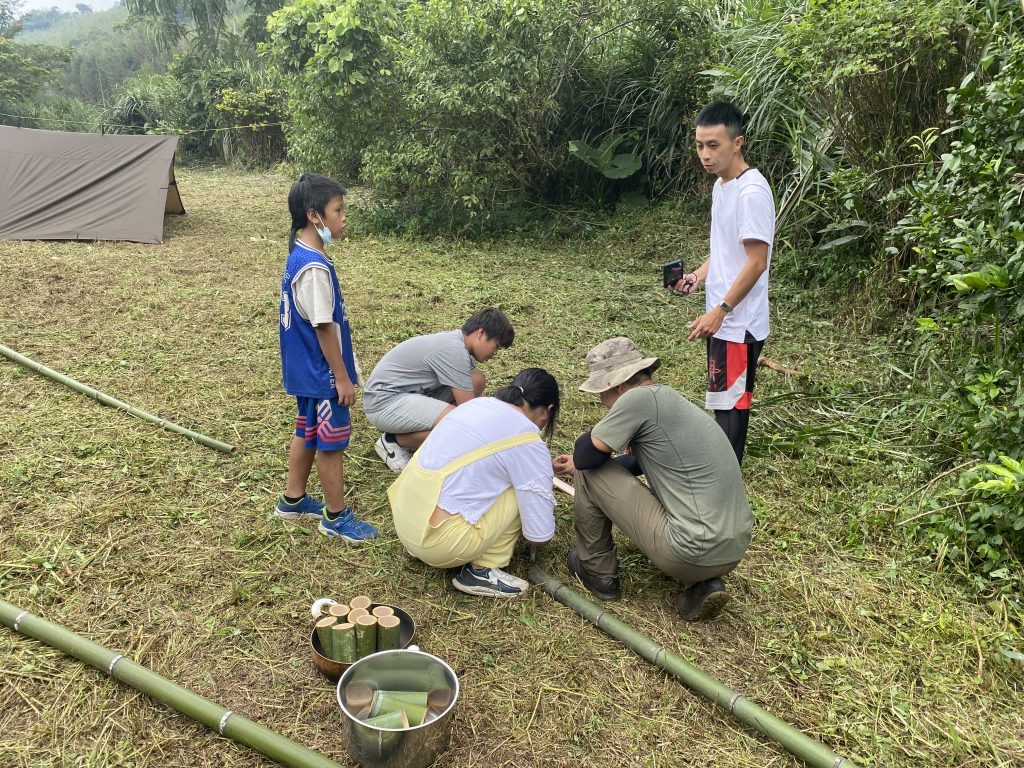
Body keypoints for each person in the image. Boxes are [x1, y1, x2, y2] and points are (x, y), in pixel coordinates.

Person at [553, 337, 752, 621]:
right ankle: (702, 583)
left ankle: (596, 571)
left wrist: (590, 447)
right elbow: (637, 462)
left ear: (618, 385)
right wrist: (584, 460)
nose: (602, 402)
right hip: (731, 550)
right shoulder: (670, 401)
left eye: (602, 394)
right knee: (590, 466)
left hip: (689, 550)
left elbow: (586, 457)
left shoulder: (636, 399)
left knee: (589, 471)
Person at [389, 368, 560, 598]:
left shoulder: (475, 405)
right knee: (522, 488)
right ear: (548, 411)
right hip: (439, 545)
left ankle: (424, 543)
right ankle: (481, 571)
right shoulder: (528, 441)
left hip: (406, 522)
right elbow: (539, 535)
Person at [273, 172, 378, 542]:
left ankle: (292, 499)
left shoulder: (302, 255)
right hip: (323, 375)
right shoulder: (314, 268)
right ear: (316, 216)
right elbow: (323, 327)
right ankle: (335, 517)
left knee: (307, 430)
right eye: (339, 209)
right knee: (331, 443)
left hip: (306, 371)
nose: (344, 217)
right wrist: (343, 378)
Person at [670, 100, 775, 465]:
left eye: (713, 145)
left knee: (732, 407)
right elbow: (726, 251)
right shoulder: (722, 186)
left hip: (737, 323)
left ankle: (727, 478)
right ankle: (722, 468)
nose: (705, 154)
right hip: (722, 319)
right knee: (723, 399)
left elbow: (757, 262)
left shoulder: (751, 192)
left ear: (737, 142)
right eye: (699, 145)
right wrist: (697, 277)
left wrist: (721, 310)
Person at [362, 307, 515, 472]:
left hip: (408, 394)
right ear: (481, 333)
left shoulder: (458, 345)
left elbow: (474, 404)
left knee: (476, 378)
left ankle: (429, 436)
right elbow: (469, 414)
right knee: (457, 424)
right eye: (496, 346)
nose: (495, 353)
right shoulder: (454, 351)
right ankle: (393, 441)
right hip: (383, 402)